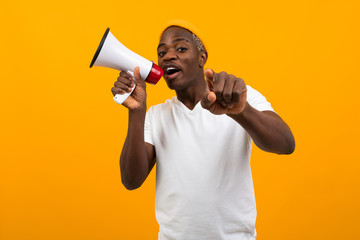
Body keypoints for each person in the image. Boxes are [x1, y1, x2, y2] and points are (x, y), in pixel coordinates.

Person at [111, 23, 295, 240]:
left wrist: (239, 111)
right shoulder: (156, 115)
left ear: (202, 58)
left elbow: (285, 144)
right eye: (162, 52)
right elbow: (131, 180)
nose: (168, 56)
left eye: (180, 49)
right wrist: (137, 111)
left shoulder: (239, 95)